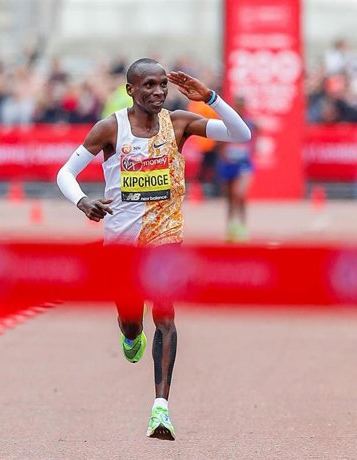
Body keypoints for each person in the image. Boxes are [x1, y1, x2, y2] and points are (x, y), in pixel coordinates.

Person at [56, 58, 250, 441]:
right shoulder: (110, 128)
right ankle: (130, 334)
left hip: (165, 237)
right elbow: (65, 173)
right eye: (148, 86)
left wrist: (209, 96)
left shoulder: (178, 122)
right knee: (132, 319)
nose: (158, 92)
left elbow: (241, 134)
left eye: (162, 85)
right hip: (121, 243)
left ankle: (160, 409)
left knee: (165, 314)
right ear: (131, 90)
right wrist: (82, 202)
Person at [217, 96, 255, 242]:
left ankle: (243, 227)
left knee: (239, 194)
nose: (239, 107)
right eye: (237, 105)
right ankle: (230, 227)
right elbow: (219, 142)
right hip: (228, 164)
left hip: (243, 164)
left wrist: (249, 153)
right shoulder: (227, 122)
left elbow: (253, 141)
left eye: (241, 105)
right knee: (230, 199)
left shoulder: (250, 123)